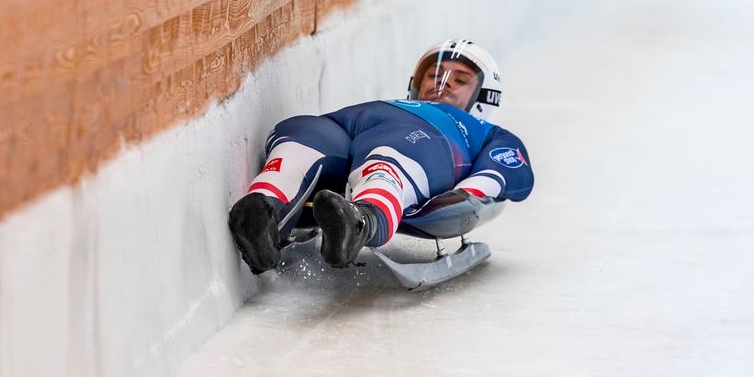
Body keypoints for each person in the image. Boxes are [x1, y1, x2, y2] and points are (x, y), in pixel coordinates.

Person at [228, 39, 534, 274]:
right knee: (301, 134)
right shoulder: (398, 102)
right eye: (434, 75)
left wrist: (464, 197)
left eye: (460, 80)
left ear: (484, 97)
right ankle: (261, 211)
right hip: (351, 123)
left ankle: (359, 221)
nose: (443, 84)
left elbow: (504, 173)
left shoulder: (485, 132)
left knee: (390, 154)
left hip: (427, 138)